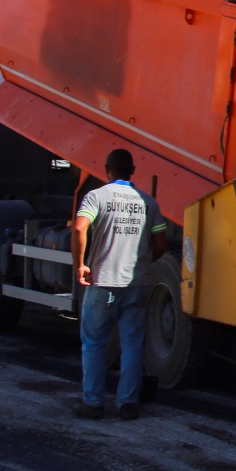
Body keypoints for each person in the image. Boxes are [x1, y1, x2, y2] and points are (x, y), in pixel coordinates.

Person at [71, 148, 167, 420]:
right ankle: (128, 403)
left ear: (106, 170)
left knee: (94, 343)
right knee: (133, 344)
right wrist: (146, 259)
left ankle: (93, 403)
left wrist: (81, 264)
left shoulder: (96, 197)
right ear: (133, 171)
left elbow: (79, 228)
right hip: (137, 284)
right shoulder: (149, 202)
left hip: (103, 282)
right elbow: (160, 243)